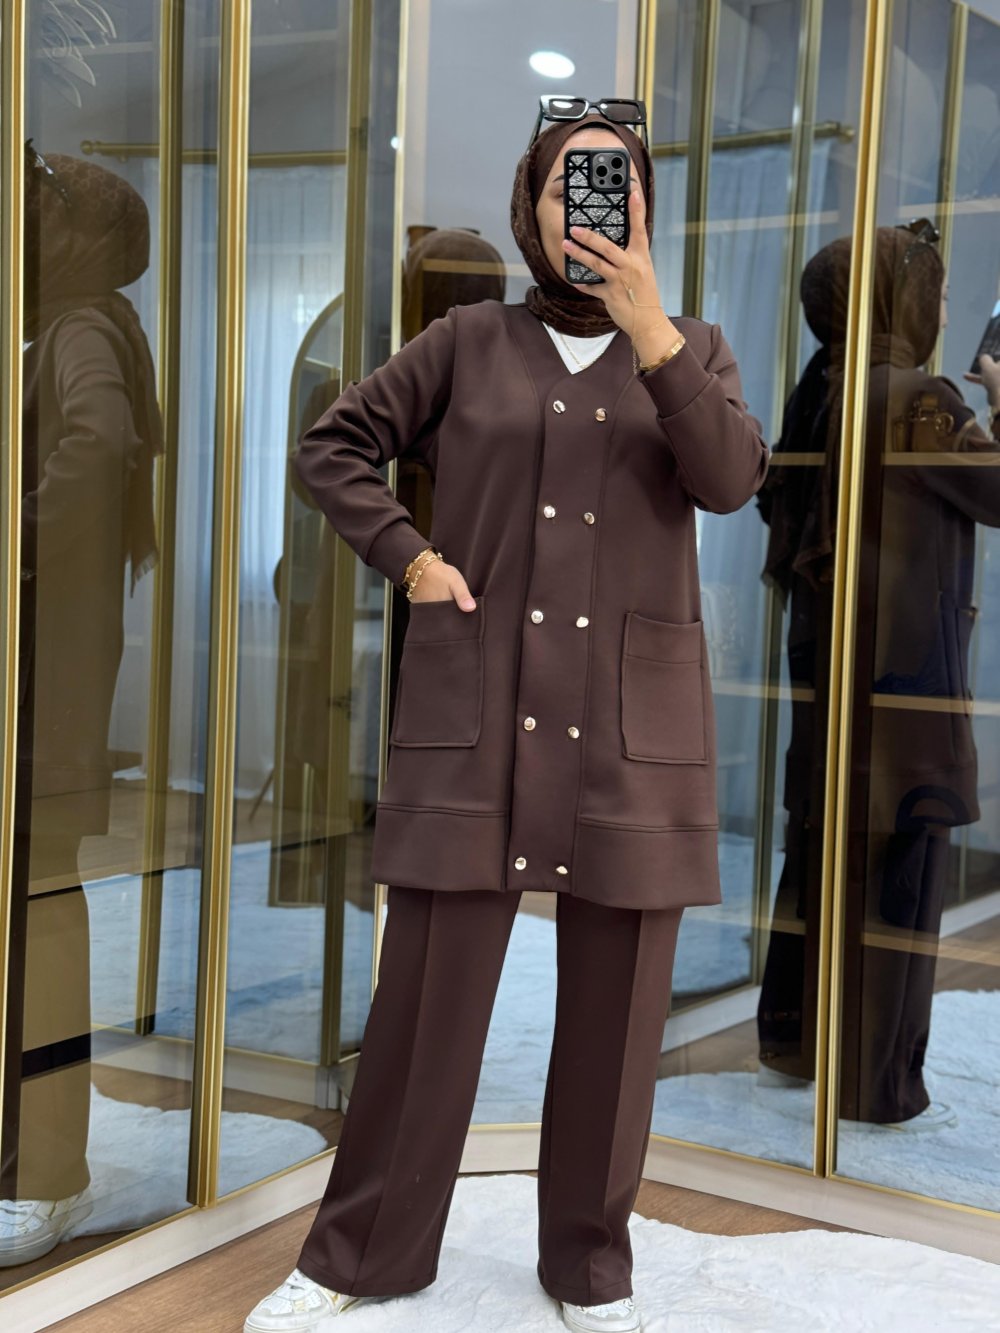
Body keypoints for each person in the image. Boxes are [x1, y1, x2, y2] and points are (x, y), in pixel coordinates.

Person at [244, 99, 768, 1333]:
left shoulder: (693, 346)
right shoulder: (467, 341)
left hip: (631, 724)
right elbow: (333, 447)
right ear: (530, 210)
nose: (590, 207)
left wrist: (650, 328)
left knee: (616, 1014)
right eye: (566, 185)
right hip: (476, 708)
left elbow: (730, 480)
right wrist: (412, 560)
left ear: (645, 208)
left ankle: (587, 1265)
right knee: (423, 1001)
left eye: (615, 184)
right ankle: (361, 1254)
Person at [755, 222, 1000, 1129]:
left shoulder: (820, 390)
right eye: (936, 294)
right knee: (899, 876)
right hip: (904, 687)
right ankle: (875, 1083)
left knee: (826, 857)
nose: (945, 312)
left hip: (831, 681)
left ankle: (796, 1041)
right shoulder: (917, 397)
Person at [0, 144, 162, 1263]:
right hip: (50, 662)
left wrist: (12, 544)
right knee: (35, 902)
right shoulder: (84, 325)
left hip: (47, 671)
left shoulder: (80, 329)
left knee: (43, 906)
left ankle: (48, 1172)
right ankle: (38, 1161)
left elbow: (97, 446)